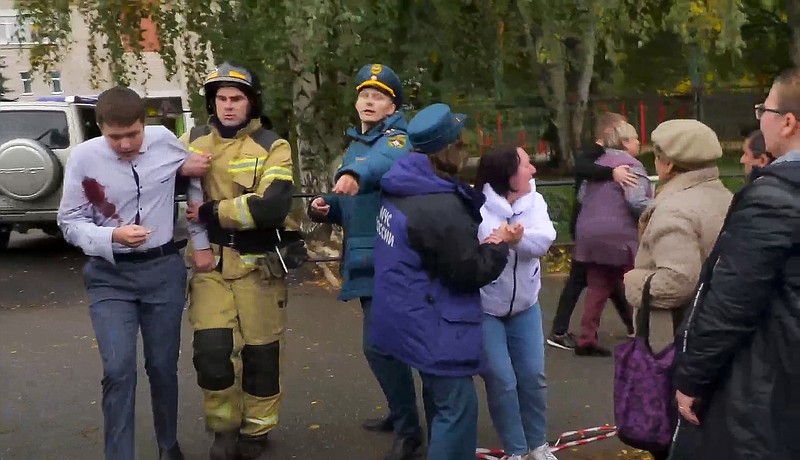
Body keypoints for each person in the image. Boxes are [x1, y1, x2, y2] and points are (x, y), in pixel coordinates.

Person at [57, 86, 211, 460]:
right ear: (100, 129)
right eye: (115, 137)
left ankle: (168, 445)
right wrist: (111, 235)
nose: (125, 144)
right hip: (110, 278)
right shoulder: (84, 158)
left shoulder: (163, 140)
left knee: (162, 367)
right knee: (118, 369)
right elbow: (69, 221)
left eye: (132, 134)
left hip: (163, 273)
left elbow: (194, 181)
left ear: (145, 124)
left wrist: (201, 241)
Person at [369, 103, 513, 460]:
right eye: (460, 144)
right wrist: (498, 245)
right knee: (457, 409)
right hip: (436, 322)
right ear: (445, 150)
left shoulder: (402, 185)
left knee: (438, 397)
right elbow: (469, 272)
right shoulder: (438, 206)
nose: (466, 150)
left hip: (404, 313)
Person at [669, 68, 800, 460]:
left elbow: (732, 300)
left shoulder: (774, 199)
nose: (761, 116)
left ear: (789, 122)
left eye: (765, 108)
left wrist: (692, 377)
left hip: (769, 381)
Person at [307, 63, 422, 460]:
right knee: (387, 346)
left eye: (379, 96)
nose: (369, 101)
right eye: (364, 95)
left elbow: (381, 167)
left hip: (391, 258)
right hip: (363, 255)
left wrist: (355, 172)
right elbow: (353, 200)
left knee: (379, 346)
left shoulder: (397, 139)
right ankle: (400, 410)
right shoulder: (357, 143)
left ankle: (411, 433)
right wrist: (327, 207)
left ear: (393, 107)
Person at [182, 62, 295, 460]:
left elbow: (271, 207)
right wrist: (180, 169)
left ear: (251, 102)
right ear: (212, 103)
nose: (228, 106)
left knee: (261, 354)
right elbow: (160, 180)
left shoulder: (272, 145)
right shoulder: (193, 139)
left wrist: (213, 210)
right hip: (209, 265)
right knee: (212, 353)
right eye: (221, 99)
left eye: (237, 99)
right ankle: (223, 429)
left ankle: (257, 431)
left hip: (258, 265)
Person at [474, 145, 558, 460]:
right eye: (526, 165)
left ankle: (538, 446)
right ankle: (516, 450)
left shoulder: (534, 201)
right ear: (508, 175)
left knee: (533, 377)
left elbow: (545, 240)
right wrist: (496, 242)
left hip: (525, 306)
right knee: (502, 380)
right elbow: (476, 252)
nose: (533, 170)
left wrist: (516, 239)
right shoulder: (477, 207)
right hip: (485, 309)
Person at [624, 119, 732, 354]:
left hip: (675, 338)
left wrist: (634, 281)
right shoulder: (723, 195)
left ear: (669, 164)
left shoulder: (674, 210)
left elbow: (678, 282)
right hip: (714, 327)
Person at [547, 112, 638, 351]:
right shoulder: (597, 155)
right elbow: (583, 170)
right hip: (589, 225)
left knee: (608, 278)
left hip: (590, 225)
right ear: (611, 132)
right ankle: (559, 330)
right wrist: (612, 173)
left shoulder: (606, 157)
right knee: (582, 278)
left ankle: (630, 325)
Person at [572, 122, 652, 357]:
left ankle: (587, 338)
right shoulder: (631, 166)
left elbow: (581, 195)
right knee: (635, 280)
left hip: (589, 232)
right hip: (619, 234)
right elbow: (636, 202)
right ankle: (643, 333)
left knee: (597, 287)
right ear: (624, 142)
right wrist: (662, 207)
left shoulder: (596, 165)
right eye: (635, 138)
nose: (639, 142)